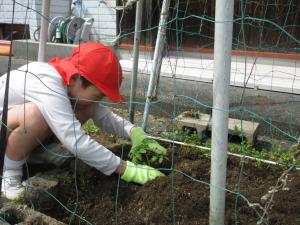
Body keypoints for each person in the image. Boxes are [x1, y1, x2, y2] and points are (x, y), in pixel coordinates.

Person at [0, 42, 166, 200]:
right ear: (76, 79)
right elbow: (75, 139)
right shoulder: (47, 83)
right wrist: (126, 169)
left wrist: (134, 132)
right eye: (98, 95)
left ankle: (37, 154)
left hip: (8, 131)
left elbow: (104, 116)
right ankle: (10, 176)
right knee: (36, 115)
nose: (99, 101)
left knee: (84, 106)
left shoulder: (70, 83)